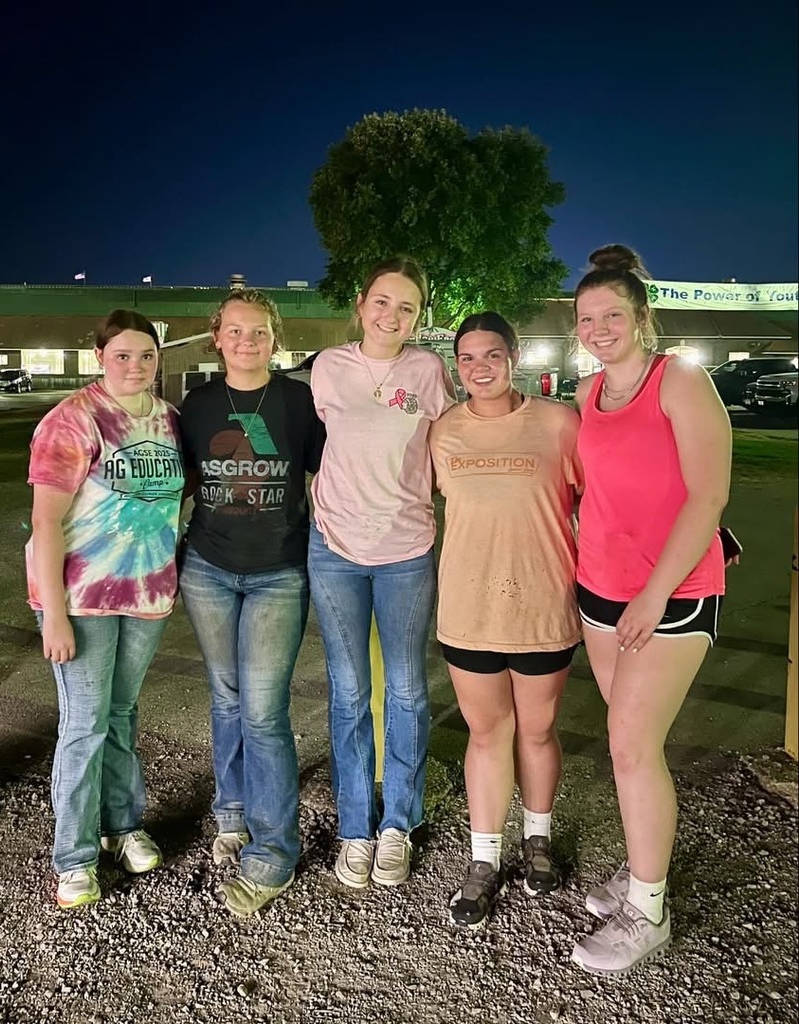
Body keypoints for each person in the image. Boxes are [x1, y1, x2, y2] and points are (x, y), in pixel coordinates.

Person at [569, 244, 731, 976]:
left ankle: (648, 911)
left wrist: (654, 591)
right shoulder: (584, 394)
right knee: (628, 744)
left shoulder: (680, 382)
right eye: (586, 318)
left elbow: (707, 496)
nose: (598, 327)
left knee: (632, 748)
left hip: (668, 595)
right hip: (597, 590)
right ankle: (643, 869)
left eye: (612, 315)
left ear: (640, 318)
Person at [429, 312, 583, 929]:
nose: (479, 368)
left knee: (538, 731)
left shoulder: (557, 423)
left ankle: (537, 840)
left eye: (491, 355)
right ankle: (484, 858)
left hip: (544, 606)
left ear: (513, 357)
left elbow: (602, 498)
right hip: (468, 611)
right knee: (487, 733)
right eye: (467, 359)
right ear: (456, 365)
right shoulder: (444, 432)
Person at [26, 309, 185, 909]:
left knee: (121, 715)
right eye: (122, 355)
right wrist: (56, 613)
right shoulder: (73, 420)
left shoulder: (168, 420)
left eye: (145, 356)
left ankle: (123, 826)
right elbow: (45, 520)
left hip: (145, 593)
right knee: (85, 724)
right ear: (100, 357)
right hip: (83, 597)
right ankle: (73, 857)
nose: (135, 366)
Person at [307, 255, 457, 888]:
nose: (393, 315)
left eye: (407, 307)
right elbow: (326, 444)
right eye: (383, 302)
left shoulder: (427, 371)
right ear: (361, 304)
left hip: (405, 549)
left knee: (404, 689)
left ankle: (397, 820)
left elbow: (452, 444)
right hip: (336, 548)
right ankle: (354, 828)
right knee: (348, 693)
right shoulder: (329, 368)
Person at [178, 288, 325, 919]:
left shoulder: (298, 401)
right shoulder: (198, 404)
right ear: (217, 338)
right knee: (226, 695)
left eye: (258, 332)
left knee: (263, 711)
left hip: (277, 573)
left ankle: (274, 850)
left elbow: (330, 473)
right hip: (208, 568)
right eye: (234, 332)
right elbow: (174, 483)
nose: (246, 342)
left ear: (275, 336)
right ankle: (231, 812)